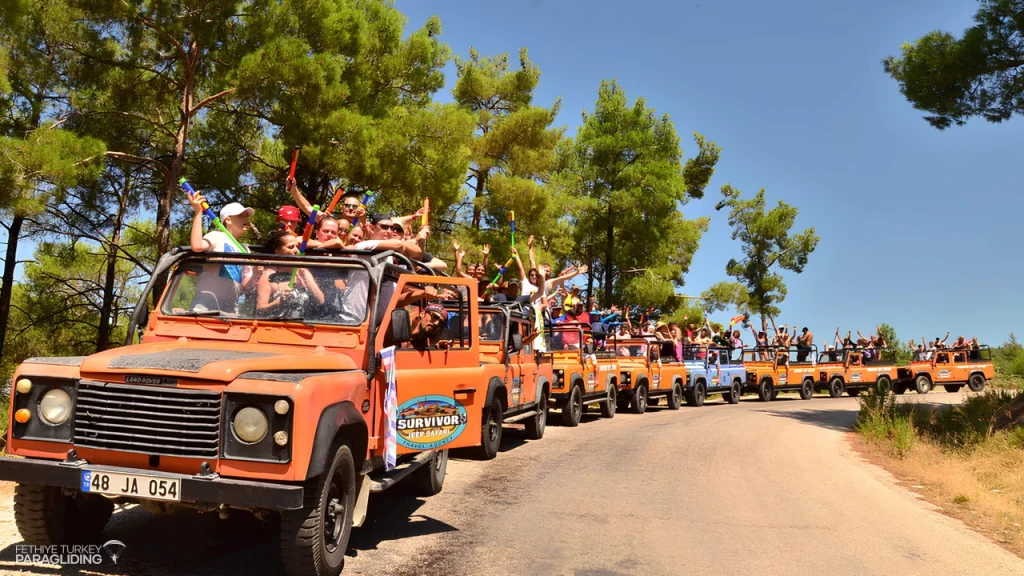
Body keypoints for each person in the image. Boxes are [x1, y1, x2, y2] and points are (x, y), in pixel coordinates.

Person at [188, 194, 258, 312]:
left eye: (247, 216)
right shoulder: (216, 236)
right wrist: (198, 212)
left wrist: (256, 272)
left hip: (231, 308)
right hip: (206, 304)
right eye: (241, 215)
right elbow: (197, 246)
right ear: (228, 219)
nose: (246, 219)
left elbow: (246, 285)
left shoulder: (245, 249)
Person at [255, 230, 326, 317]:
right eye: (291, 247)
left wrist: (305, 275)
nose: (296, 250)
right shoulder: (268, 276)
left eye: (297, 246)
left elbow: (321, 300)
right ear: (277, 252)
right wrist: (278, 302)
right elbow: (259, 310)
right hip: (276, 326)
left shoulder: (302, 271)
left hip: (303, 326)